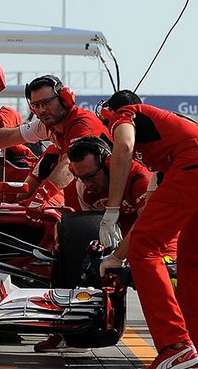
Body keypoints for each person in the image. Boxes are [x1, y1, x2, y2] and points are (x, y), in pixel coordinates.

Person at [97, 89, 198, 369]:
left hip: (197, 164)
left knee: (145, 250)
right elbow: (148, 217)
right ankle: (196, 351)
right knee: (192, 256)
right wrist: (116, 256)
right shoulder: (170, 133)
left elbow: (123, 148)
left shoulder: (126, 114)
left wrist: (111, 210)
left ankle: (174, 345)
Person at [33, 136, 157, 352]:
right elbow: (77, 237)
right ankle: (74, 329)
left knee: (162, 279)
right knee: (82, 261)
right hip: (120, 242)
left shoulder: (139, 179)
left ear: (108, 163)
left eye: (91, 176)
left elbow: (149, 225)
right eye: (82, 177)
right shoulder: (82, 188)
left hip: (156, 240)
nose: (89, 183)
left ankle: (182, 344)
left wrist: (118, 256)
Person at [0, 75, 109, 221]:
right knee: (47, 161)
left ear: (65, 98)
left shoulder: (81, 125)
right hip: (86, 189)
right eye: (36, 105)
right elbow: (9, 136)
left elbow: (68, 165)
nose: (42, 110)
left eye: (47, 102)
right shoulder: (48, 124)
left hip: (109, 191)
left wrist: (42, 195)